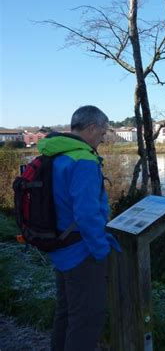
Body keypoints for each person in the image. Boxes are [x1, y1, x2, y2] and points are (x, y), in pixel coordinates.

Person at [37, 105, 120, 351]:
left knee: (66, 313)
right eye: (103, 132)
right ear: (92, 127)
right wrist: (100, 250)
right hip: (81, 251)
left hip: (60, 247)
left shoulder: (55, 153)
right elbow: (87, 214)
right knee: (87, 319)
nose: (104, 138)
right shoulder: (83, 159)